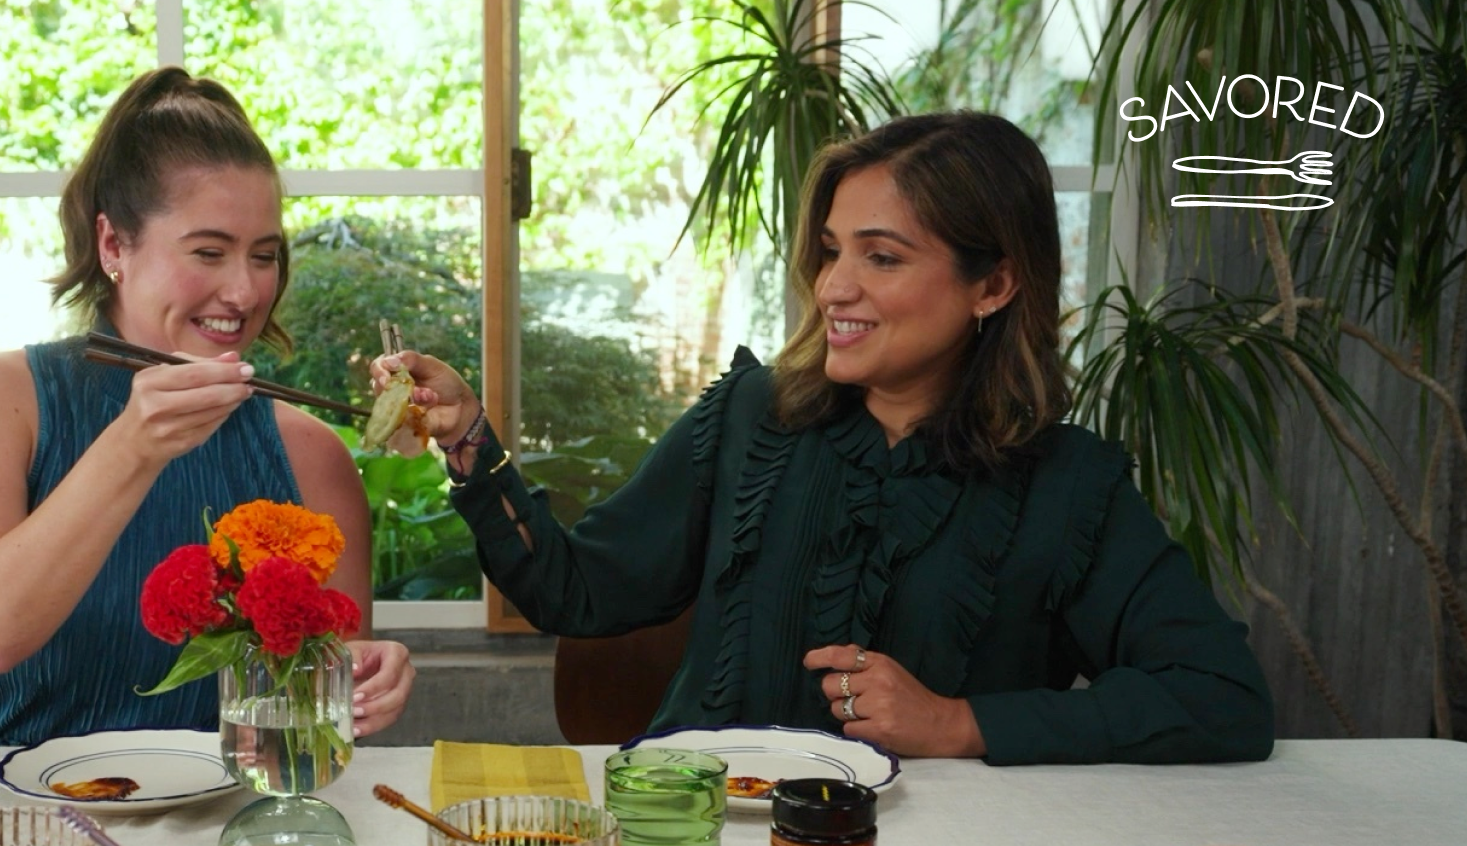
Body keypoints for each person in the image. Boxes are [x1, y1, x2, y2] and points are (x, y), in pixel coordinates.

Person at [377, 111, 1273, 765]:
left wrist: (959, 724)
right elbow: (574, 592)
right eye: (833, 250)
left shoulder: (1068, 484)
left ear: (993, 284)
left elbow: (1222, 699)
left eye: (880, 257)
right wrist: (470, 443)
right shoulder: (748, 417)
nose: (833, 286)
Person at [0, 67, 415, 746]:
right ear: (113, 245)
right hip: (13, 826)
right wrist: (132, 446)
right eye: (208, 252)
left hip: (228, 826)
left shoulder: (310, 454)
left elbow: (313, 703)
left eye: (264, 256)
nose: (244, 291)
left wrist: (362, 676)